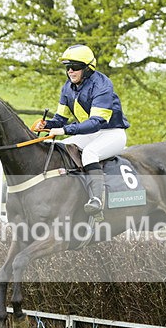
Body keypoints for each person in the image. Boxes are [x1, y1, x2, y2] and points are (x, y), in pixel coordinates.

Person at [34, 44, 130, 215]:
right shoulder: (67, 87)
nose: (70, 71)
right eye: (67, 67)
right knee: (52, 146)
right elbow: (60, 119)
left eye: (75, 67)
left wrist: (64, 130)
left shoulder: (102, 85)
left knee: (90, 154)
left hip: (112, 133)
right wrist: (47, 125)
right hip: (89, 134)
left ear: (87, 68)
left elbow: (96, 122)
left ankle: (97, 199)